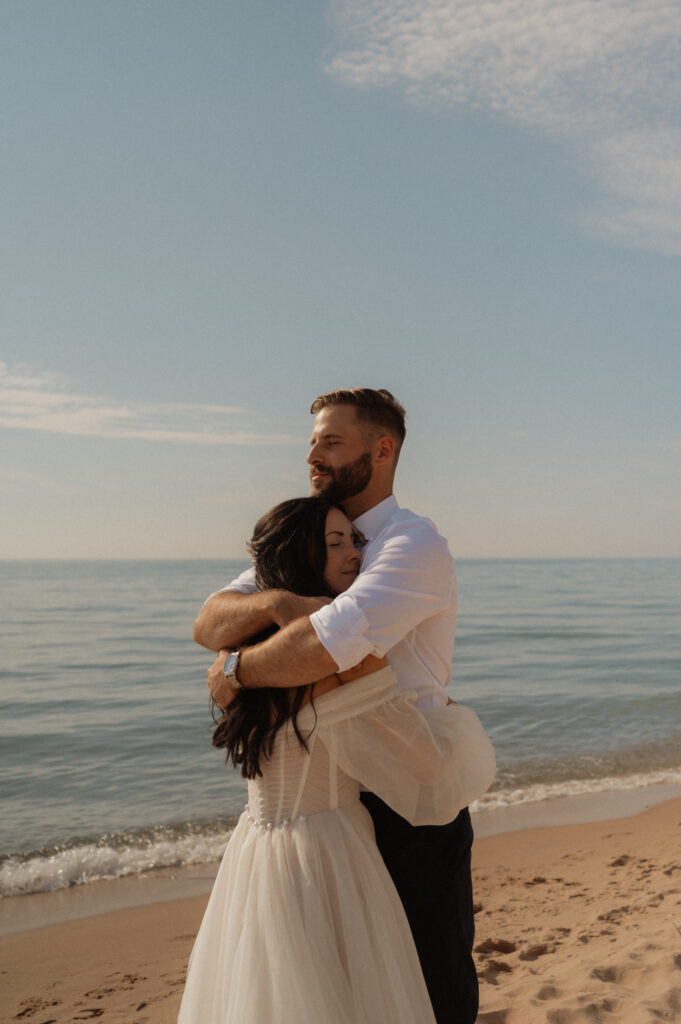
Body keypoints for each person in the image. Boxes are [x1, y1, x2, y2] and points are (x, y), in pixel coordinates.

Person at [194, 388, 480, 1024]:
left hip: (411, 800)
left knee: (430, 992)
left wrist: (238, 670)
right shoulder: (305, 541)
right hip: (330, 804)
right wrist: (272, 607)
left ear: (381, 451)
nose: (311, 455)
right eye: (313, 441)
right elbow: (210, 621)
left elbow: (328, 648)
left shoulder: (413, 543)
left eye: (330, 441)